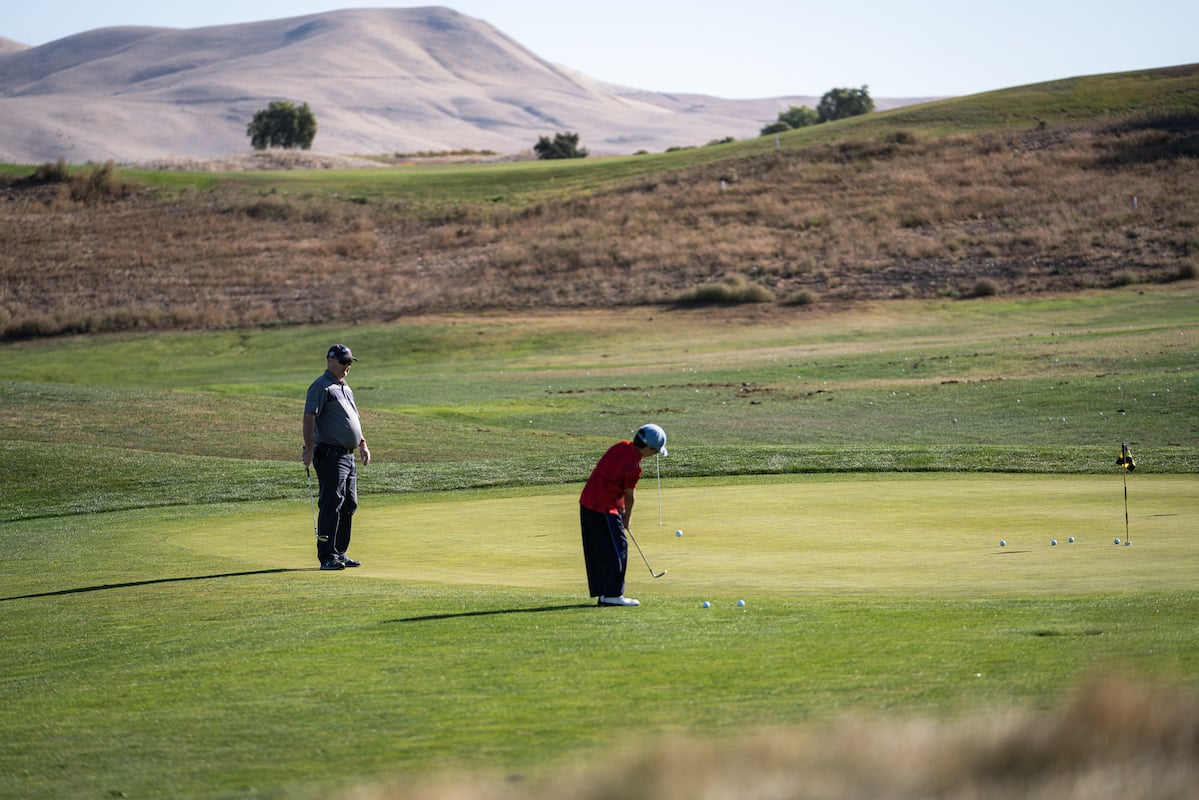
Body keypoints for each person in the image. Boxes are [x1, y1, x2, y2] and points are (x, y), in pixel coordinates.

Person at [578, 423, 667, 607]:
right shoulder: (634, 466)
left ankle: (604, 593)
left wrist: (620, 509)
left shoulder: (620, 445)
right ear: (648, 448)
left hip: (587, 502)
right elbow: (630, 497)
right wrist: (626, 518)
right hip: (603, 507)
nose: (654, 455)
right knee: (619, 548)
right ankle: (612, 594)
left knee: (602, 550)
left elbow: (610, 477)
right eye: (655, 451)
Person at [302, 344, 372, 570]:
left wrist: (362, 443)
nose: (347, 366)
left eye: (350, 362)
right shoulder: (320, 387)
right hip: (329, 455)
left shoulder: (345, 388)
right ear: (330, 361)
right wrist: (309, 448)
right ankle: (327, 557)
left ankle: (340, 553)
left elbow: (354, 419)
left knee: (349, 504)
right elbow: (310, 417)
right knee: (331, 503)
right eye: (343, 362)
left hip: (348, 457)